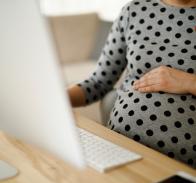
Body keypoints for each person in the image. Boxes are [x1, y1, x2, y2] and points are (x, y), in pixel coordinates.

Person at [68, 0, 196, 168]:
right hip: (118, 149)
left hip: (181, 161)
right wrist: (53, 99)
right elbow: (98, 83)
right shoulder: (133, 11)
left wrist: (189, 82)